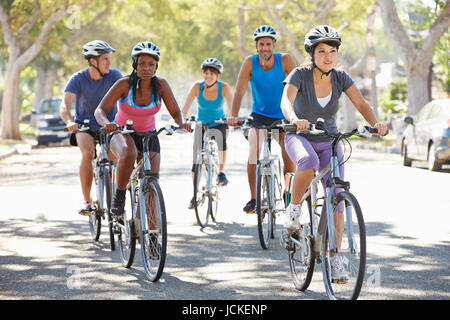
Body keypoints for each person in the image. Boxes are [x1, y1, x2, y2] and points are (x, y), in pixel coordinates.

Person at [280, 25, 387, 280]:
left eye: (333, 51)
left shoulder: (340, 77)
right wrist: (295, 118)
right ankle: (293, 210)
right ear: (311, 53)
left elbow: (361, 103)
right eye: (322, 51)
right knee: (308, 160)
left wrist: (376, 124)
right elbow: (286, 100)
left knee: (338, 195)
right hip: (299, 136)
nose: (328, 56)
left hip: (330, 139)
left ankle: (335, 258)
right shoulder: (299, 74)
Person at [94, 41, 191, 218]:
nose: (146, 68)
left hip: (148, 135)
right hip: (122, 132)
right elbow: (100, 110)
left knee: (151, 183)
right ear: (135, 65)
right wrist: (106, 123)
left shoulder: (160, 85)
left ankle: (153, 237)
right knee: (128, 152)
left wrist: (181, 122)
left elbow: (175, 111)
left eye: (151, 64)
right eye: (142, 64)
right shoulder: (124, 84)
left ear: (156, 67)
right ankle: (120, 196)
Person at [227, 25, 297, 213]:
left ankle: (288, 193)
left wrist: (298, 115)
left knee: (288, 154)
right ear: (256, 46)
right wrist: (233, 115)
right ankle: (254, 198)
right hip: (258, 115)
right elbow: (239, 91)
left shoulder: (285, 60)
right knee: (253, 153)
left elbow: (299, 86)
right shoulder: (250, 62)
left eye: (268, 44)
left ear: (274, 45)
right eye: (261, 44)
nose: (264, 48)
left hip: (283, 114)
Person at [60, 40, 122, 215]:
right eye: (105, 59)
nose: (109, 62)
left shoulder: (114, 76)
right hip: (84, 126)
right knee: (87, 155)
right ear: (93, 61)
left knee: (113, 161)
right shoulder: (78, 79)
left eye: (109, 58)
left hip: (108, 125)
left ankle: (112, 202)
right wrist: (69, 122)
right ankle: (87, 201)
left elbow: (125, 97)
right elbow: (64, 105)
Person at [181, 58, 233, 208]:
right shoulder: (197, 87)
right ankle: (194, 193)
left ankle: (221, 172)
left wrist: (231, 118)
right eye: (206, 73)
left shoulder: (224, 88)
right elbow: (185, 107)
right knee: (196, 162)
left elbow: (232, 107)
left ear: (218, 76)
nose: (208, 76)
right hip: (201, 124)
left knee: (222, 139)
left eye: (212, 73)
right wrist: (182, 120)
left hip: (219, 123)